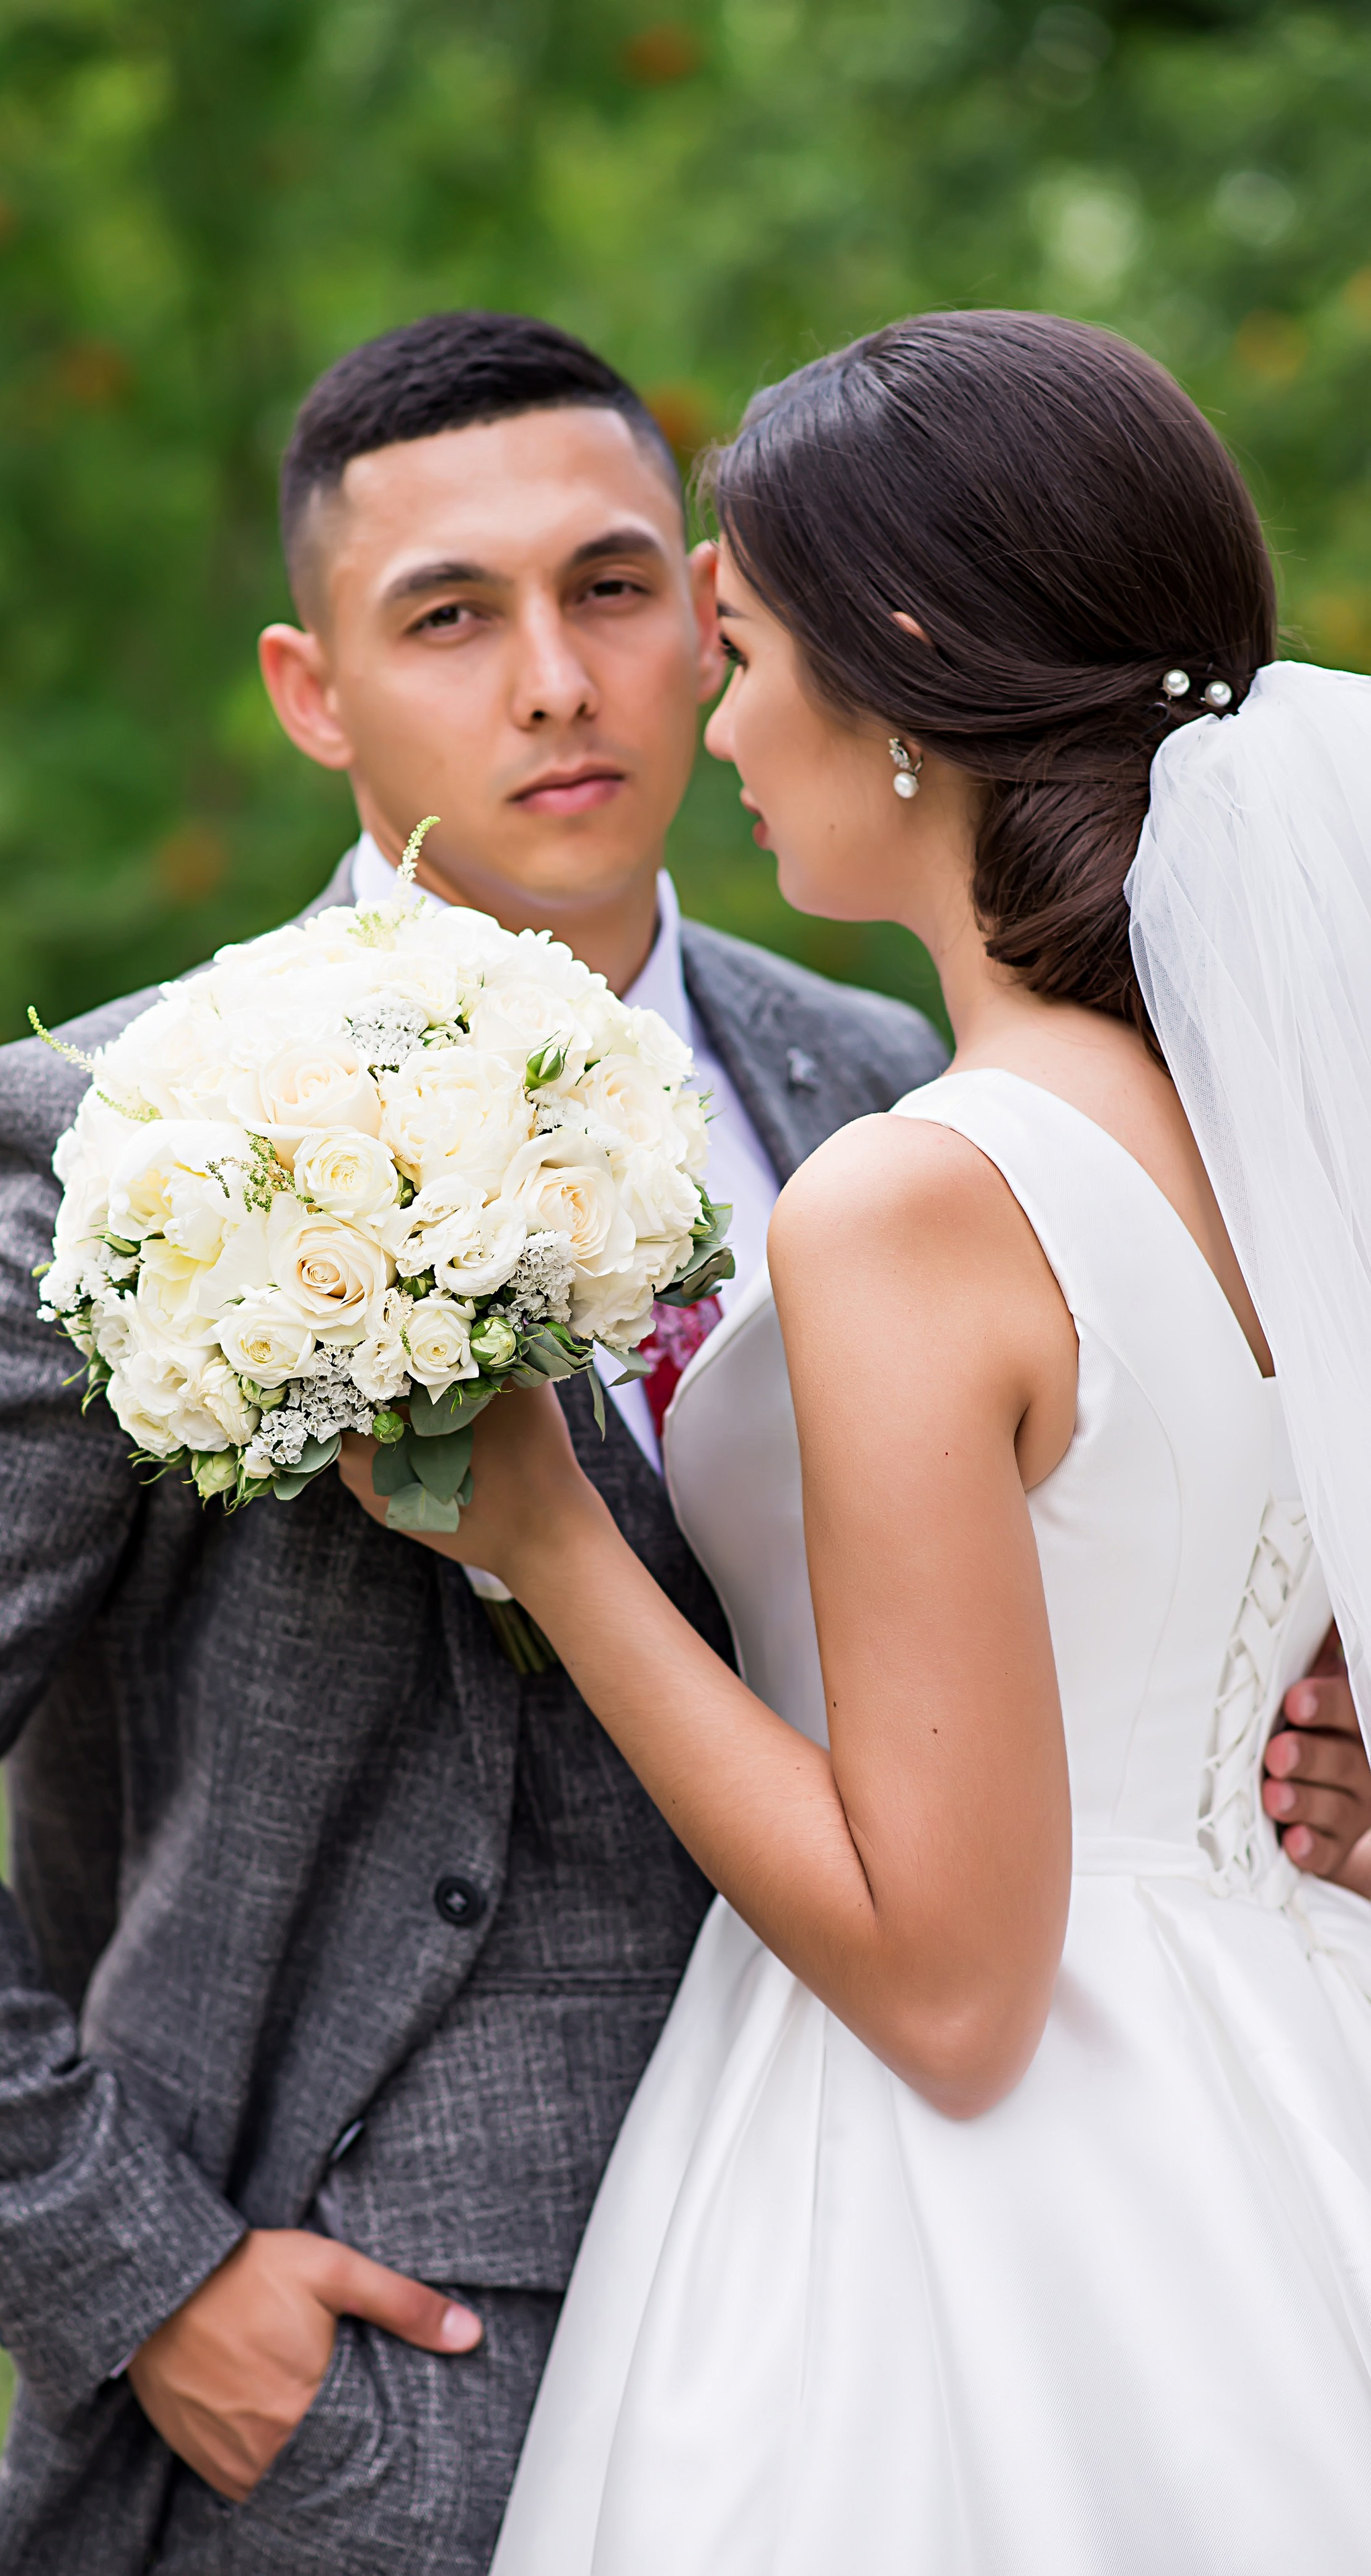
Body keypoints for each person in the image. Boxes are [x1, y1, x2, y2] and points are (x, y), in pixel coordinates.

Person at [0, 312, 948, 2576]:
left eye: (616, 586)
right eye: (450, 615)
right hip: (413, 2376)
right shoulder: (121, 1131)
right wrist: (147, 2280)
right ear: (311, 690)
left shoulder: (872, 1065)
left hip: (889, 2274)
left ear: (714, 608)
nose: (555, 678)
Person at [337, 310, 1371, 2572]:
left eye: (740, 644)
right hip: (1282, 2068)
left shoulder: (925, 1191)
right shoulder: (1269, 1133)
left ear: (895, 673)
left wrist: (549, 1537)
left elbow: (949, 1976)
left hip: (959, 2193)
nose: (708, 721)